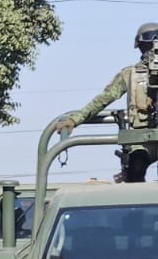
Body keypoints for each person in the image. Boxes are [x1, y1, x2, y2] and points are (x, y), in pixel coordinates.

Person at [51, 23, 158, 182]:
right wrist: (75, 119)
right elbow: (103, 99)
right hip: (141, 139)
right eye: (150, 45)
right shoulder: (130, 74)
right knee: (136, 167)